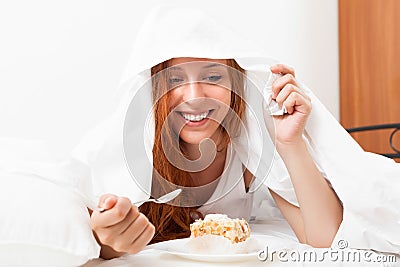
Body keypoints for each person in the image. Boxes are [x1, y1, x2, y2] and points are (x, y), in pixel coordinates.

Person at [72, 5, 400, 260]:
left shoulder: (248, 145)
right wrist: (110, 240)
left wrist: (289, 142)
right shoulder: (141, 150)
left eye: (213, 77)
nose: (193, 95)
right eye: (174, 81)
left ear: (234, 88)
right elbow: (101, 239)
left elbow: (325, 240)